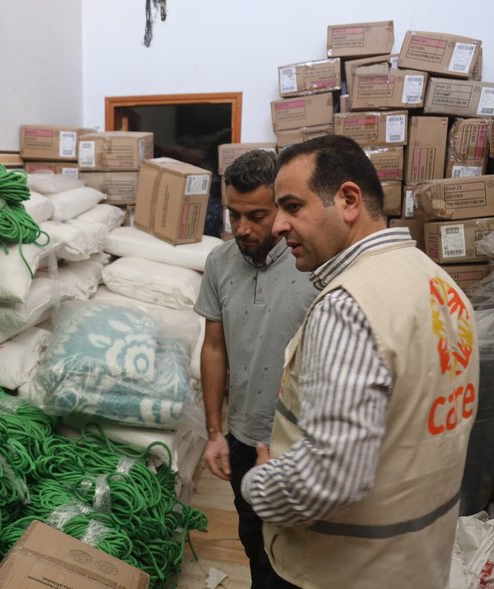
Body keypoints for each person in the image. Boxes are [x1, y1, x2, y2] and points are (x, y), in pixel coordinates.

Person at [241, 135, 479, 589]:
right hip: (415, 563)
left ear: (348, 200)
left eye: (292, 207)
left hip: (337, 571)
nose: (278, 226)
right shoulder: (439, 284)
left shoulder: (349, 306)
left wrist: (258, 485)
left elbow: (331, 478)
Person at [194, 149, 316, 588]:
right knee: (254, 542)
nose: (243, 228)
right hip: (245, 434)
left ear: (282, 207)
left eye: (257, 215)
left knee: (302, 554)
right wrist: (214, 431)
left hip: (300, 442)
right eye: (233, 214)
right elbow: (213, 348)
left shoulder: (312, 264)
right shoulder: (220, 263)